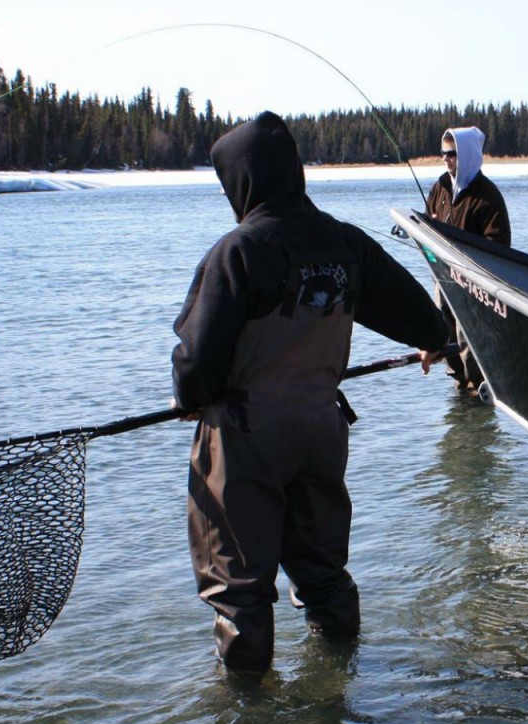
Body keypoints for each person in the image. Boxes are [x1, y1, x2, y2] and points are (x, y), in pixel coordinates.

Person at [171, 111, 450, 676]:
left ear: (242, 181)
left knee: (241, 592)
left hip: (248, 441)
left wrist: (191, 397)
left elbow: (196, 366)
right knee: (323, 574)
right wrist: (436, 341)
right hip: (322, 430)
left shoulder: (237, 253)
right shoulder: (345, 244)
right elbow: (422, 318)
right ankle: (340, 685)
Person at [426, 126, 510, 396]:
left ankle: (477, 386)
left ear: (468, 155)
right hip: (442, 276)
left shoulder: (488, 196)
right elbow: (426, 226)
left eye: (451, 154)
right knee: (444, 327)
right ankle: (459, 382)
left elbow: (500, 245)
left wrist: (461, 244)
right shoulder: (439, 187)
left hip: (473, 284)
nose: (445, 159)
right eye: (443, 153)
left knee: (469, 335)